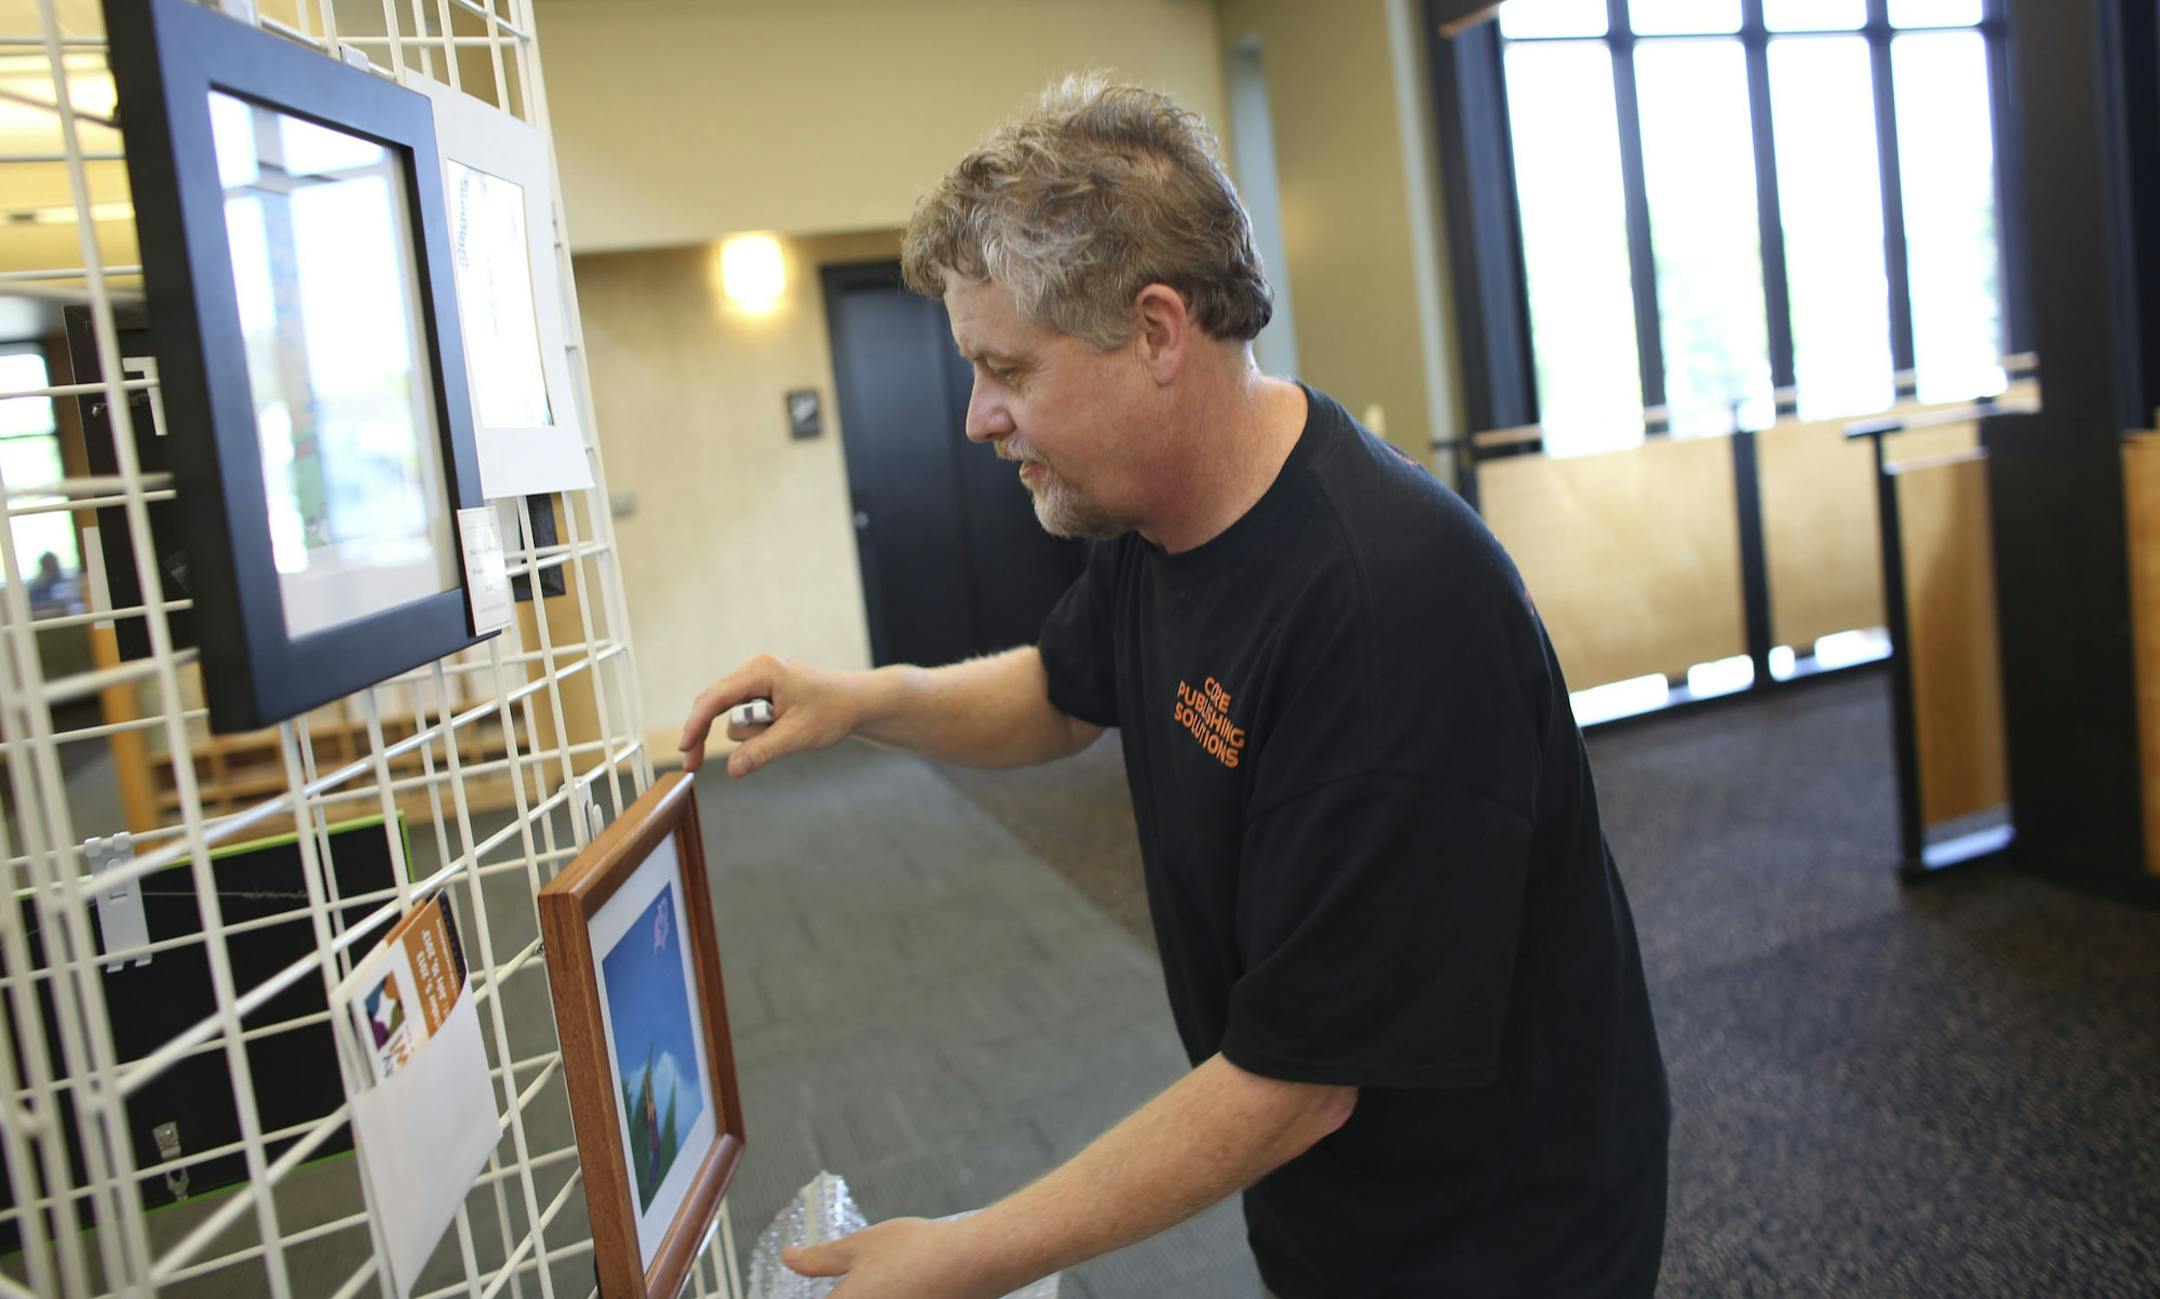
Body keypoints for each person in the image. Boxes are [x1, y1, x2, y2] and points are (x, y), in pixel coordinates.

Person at [677, 75, 1669, 1299]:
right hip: (1336, 1201)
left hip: (1499, 1238)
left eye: (1006, 368)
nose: (979, 418)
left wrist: (964, 1255)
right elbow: (1061, 692)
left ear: (1155, 332)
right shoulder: (1160, 519)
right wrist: (865, 700)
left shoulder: (1386, 610)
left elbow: (1297, 1086)